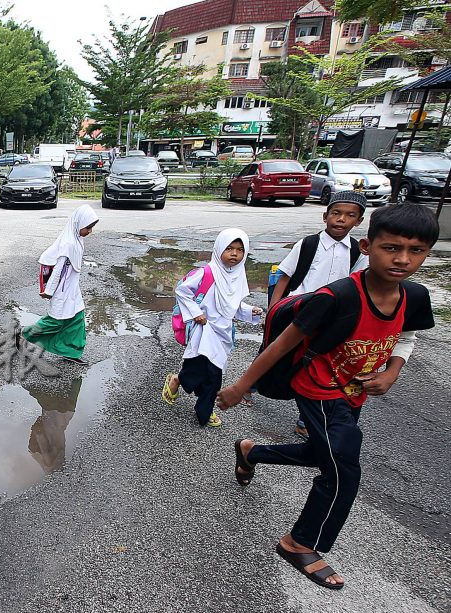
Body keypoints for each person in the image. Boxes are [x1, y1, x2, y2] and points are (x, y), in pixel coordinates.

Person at [217, 203, 438, 590]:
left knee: (322, 453)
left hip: (356, 393)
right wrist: (241, 386)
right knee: (342, 471)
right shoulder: (336, 297)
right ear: (367, 247)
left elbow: (407, 336)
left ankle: (252, 451)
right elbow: (280, 346)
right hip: (318, 389)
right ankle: (298, 542)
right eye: (391, 248)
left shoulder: (415, 297)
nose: (402, 259)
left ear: (427, 254)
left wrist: (392, 371)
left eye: (415, 251)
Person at [266, 190, 372, 437]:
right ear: (325, 216)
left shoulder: (357, 252)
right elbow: (285, 276)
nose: (341, 219)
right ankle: (253, 386)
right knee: (277, 351)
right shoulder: (309, 244)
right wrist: (273, 310)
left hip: (332, 318)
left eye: (349, 215)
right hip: (298, 311)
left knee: (317, 364)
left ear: (359, 221)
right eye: (336, 213)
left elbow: (359, 286)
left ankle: (305, 419)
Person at [162, 228, 263, 427]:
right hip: (203, 330)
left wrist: (250, 311)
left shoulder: (237, 277)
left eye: (240, 250)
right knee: (199, 370)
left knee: (213, 375)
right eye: (229, 248)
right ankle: (183, 386)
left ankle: (201, 406)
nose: (234, 254)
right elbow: (182, 292)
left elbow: (230, 306)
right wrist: (195, 312)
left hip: (222, 334)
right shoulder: (206, 273)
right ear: (218, 249)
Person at [20, 204, 98, 365]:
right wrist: (49, 291)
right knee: (56, 321)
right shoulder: (68, 244)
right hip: (61, 291)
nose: (90, 231)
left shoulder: (78, 240)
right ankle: (24, 334)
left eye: (91, 227)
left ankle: (71, 352)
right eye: (88, 227)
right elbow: (57, 271)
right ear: (78, 224)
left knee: (77, 318)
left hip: (72, 289)